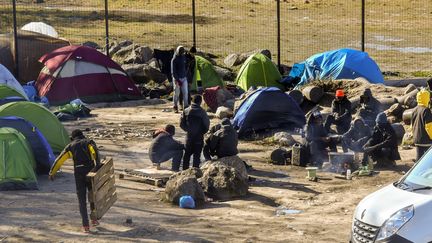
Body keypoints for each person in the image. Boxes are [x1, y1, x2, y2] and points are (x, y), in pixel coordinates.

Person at [48, 129, 100, 233]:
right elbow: (95, 154)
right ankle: (94, 219)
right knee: (92, 196)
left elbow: (60, 159)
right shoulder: (88, 142)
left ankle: (85, 226)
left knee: (82, 201)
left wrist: (52, 172)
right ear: (82, 135)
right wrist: (96, 167)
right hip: (90, 172)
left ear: (73, 137)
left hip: (79, 174)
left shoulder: (70, 146)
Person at [180, 95, 210, 169]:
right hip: (198, 137)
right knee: (197, 156)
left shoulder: (186, 110)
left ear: (192, 101)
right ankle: (195, 173)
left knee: (186, 155)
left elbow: (181, 124)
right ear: (200, 102)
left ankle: (184, 173)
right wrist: (201, 132)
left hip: (189, 137)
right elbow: (207, 125)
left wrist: (188, 130)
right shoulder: (202, 112)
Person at [411, 89, 432, 161]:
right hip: (426, 140)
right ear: (427, 98)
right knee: (428, 160)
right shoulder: (426, 110)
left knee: (419, 159)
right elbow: (429, 127)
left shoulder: (414, 110)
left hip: (417, 139)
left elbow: (412, 125)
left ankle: (417, 171)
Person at [171, 45, 189, 113]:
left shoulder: (183, 57)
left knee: (185, 93)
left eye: (182, 52)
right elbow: (173, 71)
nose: (182, 53)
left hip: (184, 78)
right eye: (180, 52)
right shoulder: (174, 59)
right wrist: (177, 80)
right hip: (177, 79)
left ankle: (186, 107)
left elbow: (186, 65)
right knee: (176, 93)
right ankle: (175, 106)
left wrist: (186, 73)